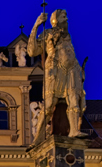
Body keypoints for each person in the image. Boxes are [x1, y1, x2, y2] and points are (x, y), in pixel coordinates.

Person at [26, 9, 86, 138]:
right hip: (55, 68)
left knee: (74, 100)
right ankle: (38, 137)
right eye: (64, 17)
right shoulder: (48, 33)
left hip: (72, 69)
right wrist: (36, 25)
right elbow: (32, 51)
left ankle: (74, 130)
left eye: (66, 17)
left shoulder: (68, 36)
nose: (67, 20)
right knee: (48, 105)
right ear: (56, 20)